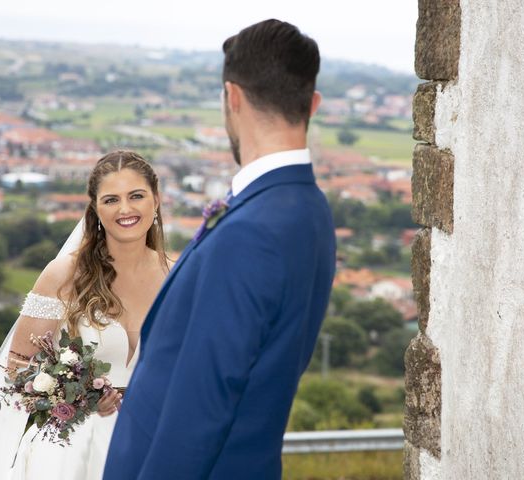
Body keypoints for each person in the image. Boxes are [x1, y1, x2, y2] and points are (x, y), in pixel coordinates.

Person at [104, 19, 336, 479]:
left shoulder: (251, 232)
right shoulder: (310, 210)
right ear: (312, 104)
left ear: (232, 97)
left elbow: (199, 412)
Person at [0, 150, 171, 479]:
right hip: (69, 454)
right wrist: (79, 399)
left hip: (154, 446)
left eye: (137, 196)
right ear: (95, 208)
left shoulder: (181, 277)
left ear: (156, 200)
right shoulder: (63, 275)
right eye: (111, 199)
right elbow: (16, 371)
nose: (126, 209)